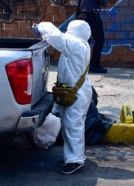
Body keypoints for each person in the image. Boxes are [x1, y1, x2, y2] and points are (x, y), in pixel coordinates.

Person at [34, 20, 92, 174]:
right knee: (69, 124)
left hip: (76, 93)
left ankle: (75, 159)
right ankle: (70, 157)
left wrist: (40, 27)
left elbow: (55, 36)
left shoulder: (75, 45)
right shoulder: (80, 45)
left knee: (73, 125)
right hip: (75, 91)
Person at [75, 0, 108, 74]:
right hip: (92, 17)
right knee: (100, 39)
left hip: (80, 16)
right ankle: (95, 64)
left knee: (85, 42)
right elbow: (104, 2)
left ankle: (83, 65)